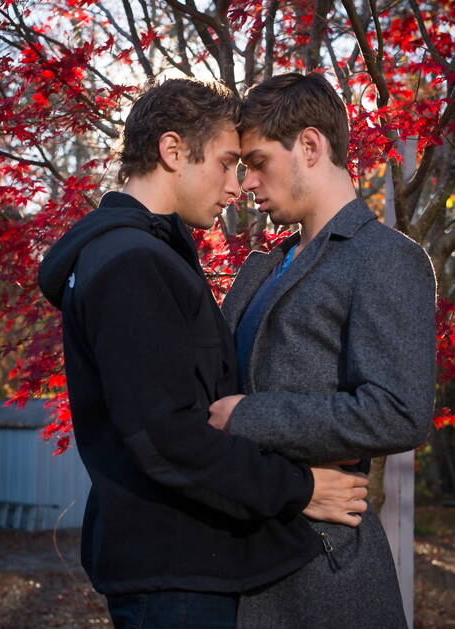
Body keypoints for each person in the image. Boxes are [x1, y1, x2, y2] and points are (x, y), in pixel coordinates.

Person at [38, 77, 369, 629]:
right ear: (173, 151)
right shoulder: (131, 262)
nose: (237, 186)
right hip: (174, 573)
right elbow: (168, 435)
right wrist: (301, 488)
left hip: (185, 562)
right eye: (226, 162)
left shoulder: (142, 254)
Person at [208, 72, 436, 629]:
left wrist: (248, 417)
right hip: (232, 560)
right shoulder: (261, 267)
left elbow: (399, 412)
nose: (247, 182)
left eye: (258, 161)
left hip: (323, 575)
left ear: (310, 146)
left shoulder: (384, 257)